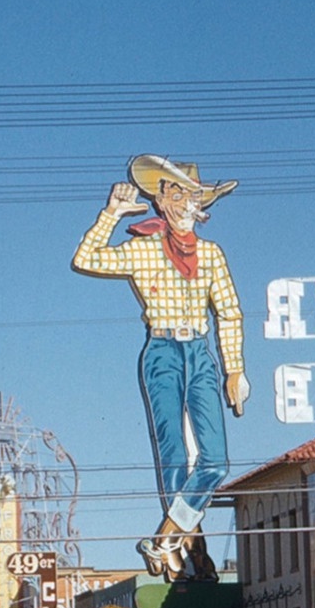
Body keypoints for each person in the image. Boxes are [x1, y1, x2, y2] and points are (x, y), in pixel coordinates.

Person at [73, 158, 248, 583]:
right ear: (162, 201)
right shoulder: (145, 249)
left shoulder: (211, 254)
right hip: (162, 351)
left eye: (191, 195)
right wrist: (112, 213)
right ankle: (175, 551)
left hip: (201, 352)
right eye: (175, 194)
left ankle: (165, 538)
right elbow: (86, 257)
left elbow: (229, 313)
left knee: (216, 461)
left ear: (201, 204)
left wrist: (234, 368)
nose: (184, 202)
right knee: (172, 455)